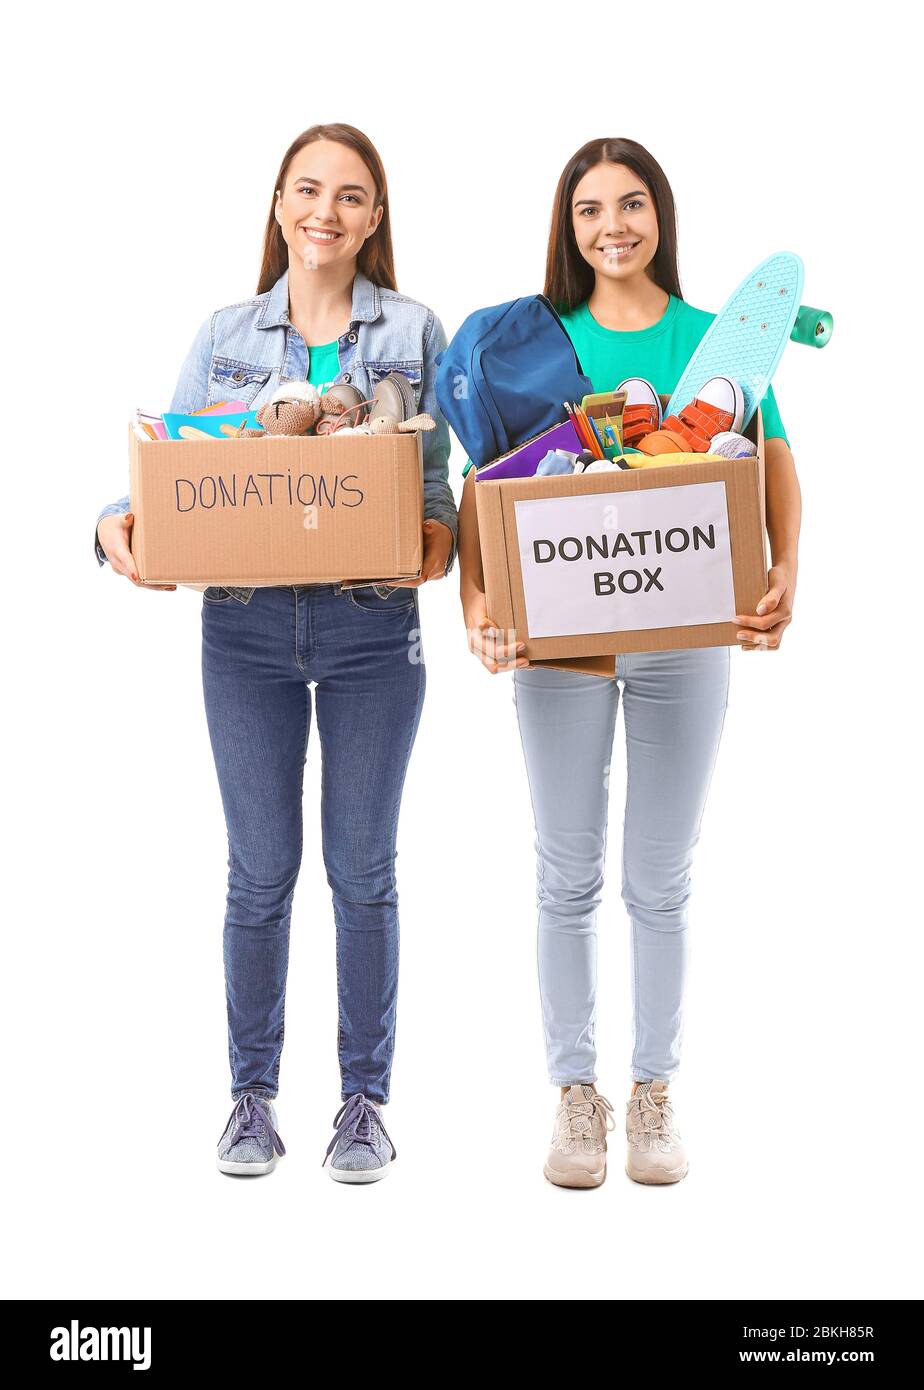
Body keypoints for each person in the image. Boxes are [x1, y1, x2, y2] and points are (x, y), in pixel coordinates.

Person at [95, 124, 458, 1183]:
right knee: (259, 874)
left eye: (351, 196)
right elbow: (171, 462)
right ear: (278, 204)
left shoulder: (416, 331)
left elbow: (434, 498)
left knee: (363, 872)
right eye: (309, 190)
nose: (327, 212)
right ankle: (251, 1099)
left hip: (369, 629)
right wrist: (115, 527)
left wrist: (433, 546)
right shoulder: (224, 335)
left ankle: (363, 1102)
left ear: (374, 219)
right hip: (245, 627)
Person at [457, 137, 800, 1188]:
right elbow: (485, 491)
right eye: (592, 208)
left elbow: (774, 456)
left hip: (687, 638)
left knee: (660, 879)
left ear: (662, 216)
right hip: (560, 649)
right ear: (569, 224)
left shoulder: (715, 339)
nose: (614, 227)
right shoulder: (530, 342)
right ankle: (576, 1096)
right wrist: (477, 605)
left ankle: (653, 1090)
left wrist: (787, 574)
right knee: (565, 877)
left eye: (633, 204)